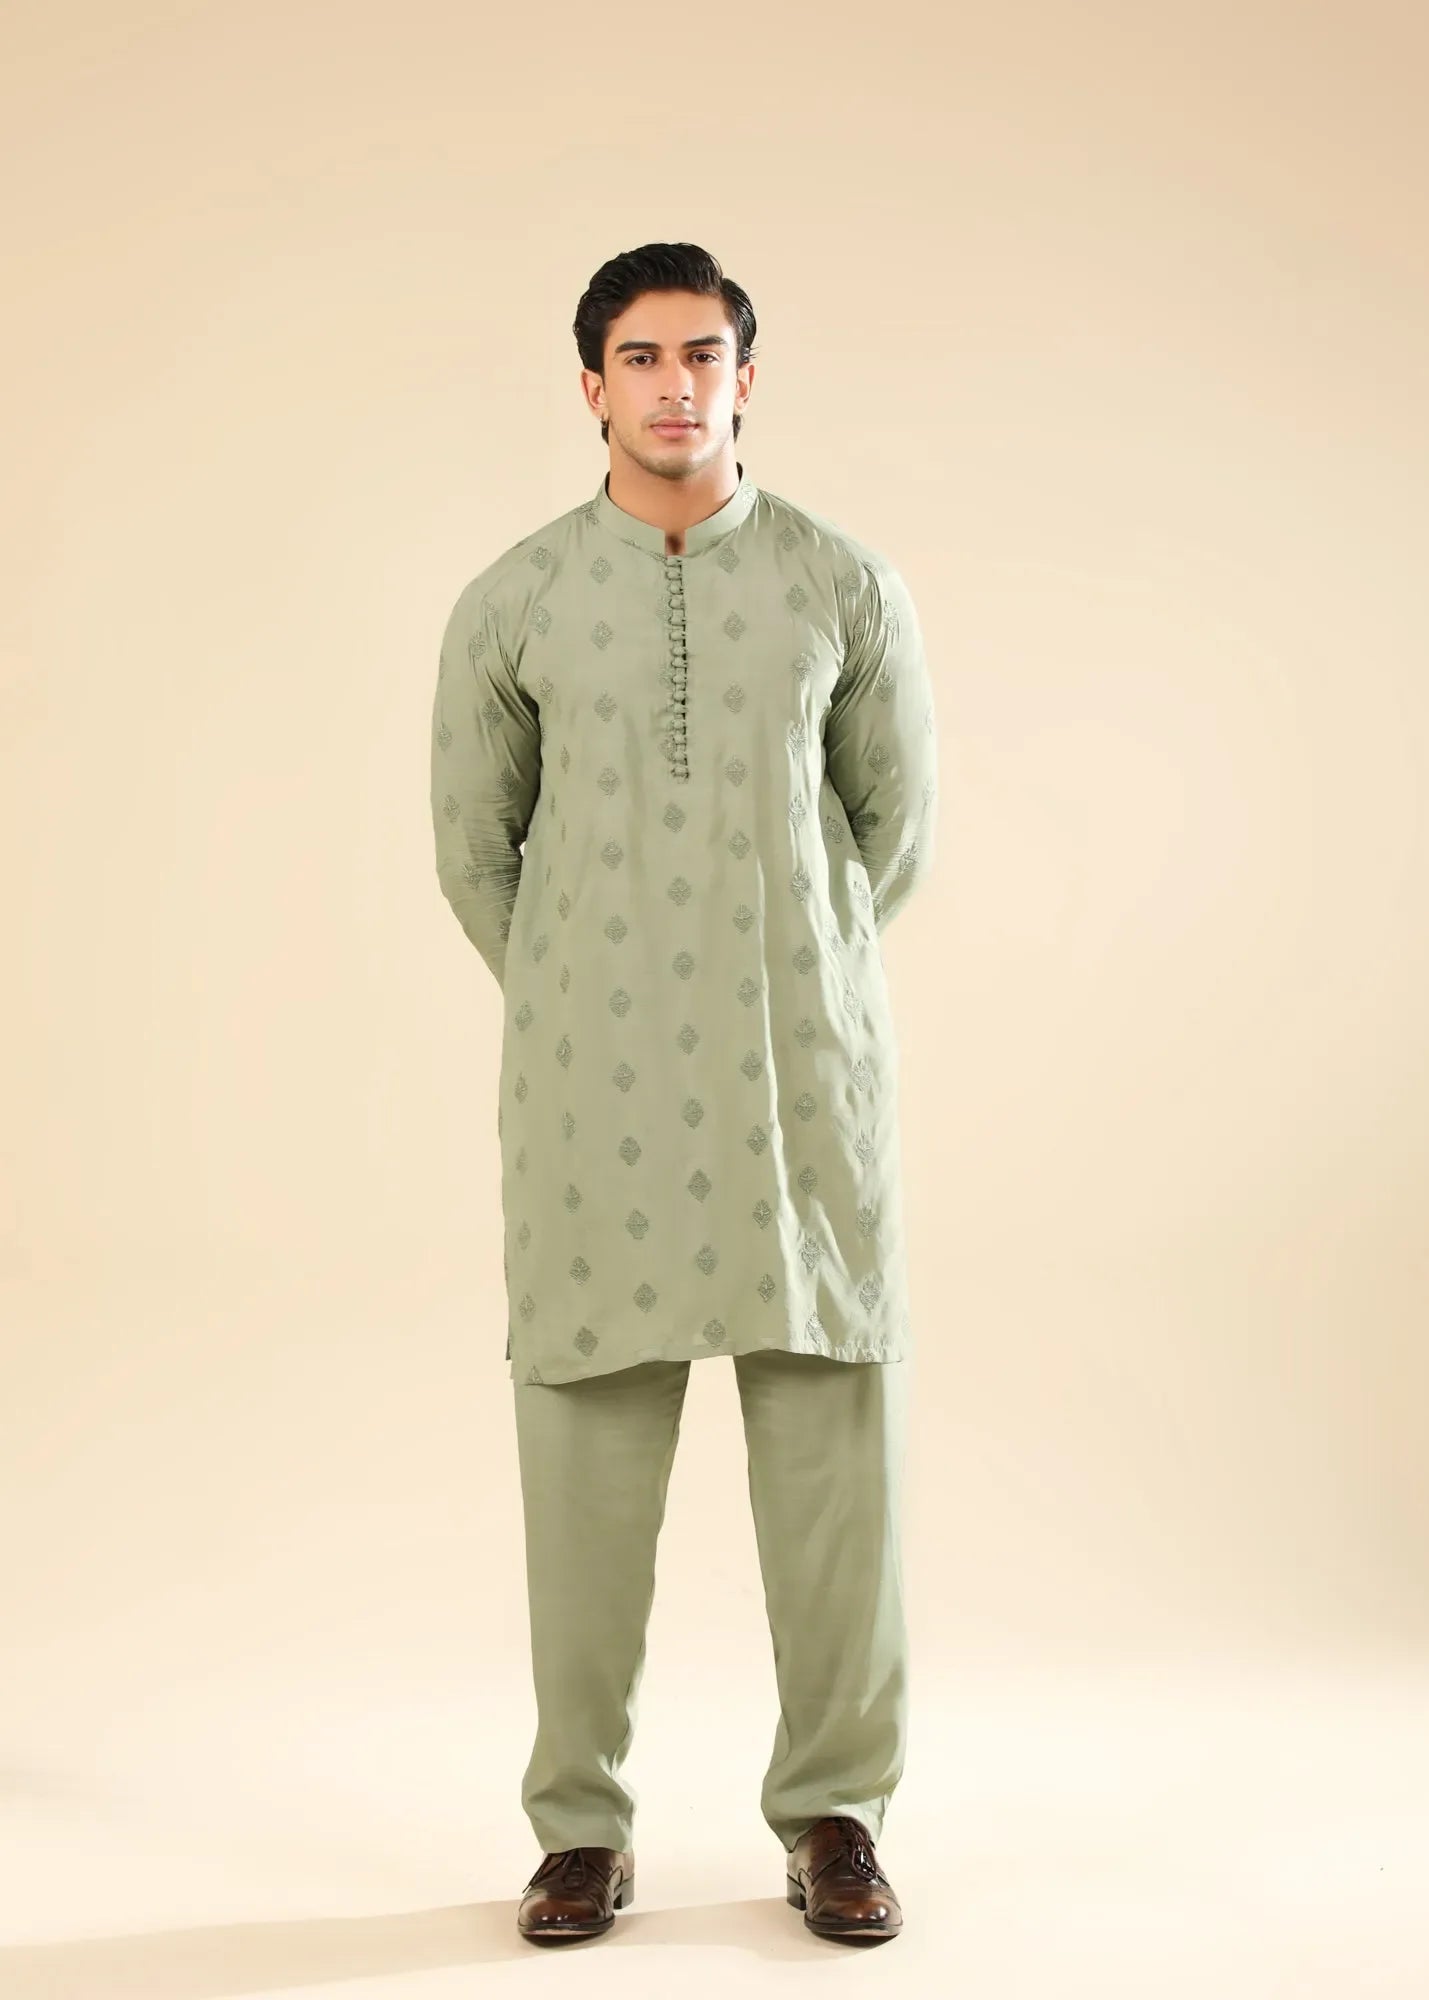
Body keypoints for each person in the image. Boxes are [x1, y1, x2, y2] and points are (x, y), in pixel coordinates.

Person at [429, 242, 938, 1945]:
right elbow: (473, 852)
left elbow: (890, 835)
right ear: (590, 385)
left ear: (745, 378)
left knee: (834, 1472)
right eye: (639, 357)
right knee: (580, 1459)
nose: (672, 385)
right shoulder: (512, 600)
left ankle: (838, 1818)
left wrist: (785, 974)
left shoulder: (840, 585)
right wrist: (588, 989)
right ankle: (578, 1828)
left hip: (801, 1089)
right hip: (591, 1092)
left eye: (701, 355)